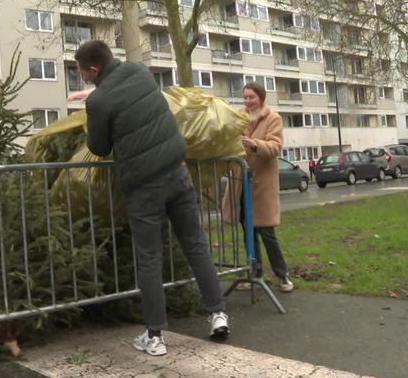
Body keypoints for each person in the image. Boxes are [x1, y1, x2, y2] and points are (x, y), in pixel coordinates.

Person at [71, 40, 229, 356]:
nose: (83, 78)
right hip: (178, 172)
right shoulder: (139, 71)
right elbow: (133, 100)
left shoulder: (99, 101)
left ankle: (154, 336)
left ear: (94, 69)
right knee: (196, 245)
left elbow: (100, 147)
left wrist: (94, 107)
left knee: (149, 257)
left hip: (144, 185)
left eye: (83, 73)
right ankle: (217, 314)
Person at [222, 82, 294, 293]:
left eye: (251, 97)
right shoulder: (239, 116)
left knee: (266, 232)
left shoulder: (273, 118)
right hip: (241, 184)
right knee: (247, 232)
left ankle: (283, 276)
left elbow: (275, 147)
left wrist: (254, 144)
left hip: (262, 186)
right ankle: (255, 274)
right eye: (245, 97)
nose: (247, 101)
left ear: (261, 98)